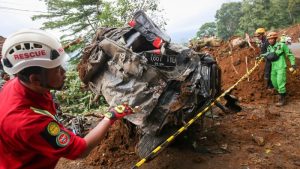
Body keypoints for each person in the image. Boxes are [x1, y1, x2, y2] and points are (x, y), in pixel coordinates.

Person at [0, 29, 133, 168]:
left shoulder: (19, 85)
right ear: (35, 79)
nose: (64, 72)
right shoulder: (28, 123)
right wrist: (110, 116)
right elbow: (82, 150)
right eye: (57, 69)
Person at [265, 32, 296, 106]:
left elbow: (290, 54)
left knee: (280, 83)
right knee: (274, 83)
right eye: (269, 39)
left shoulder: (282, 45)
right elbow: (267, 54)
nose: (270, 40)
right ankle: (282, 93)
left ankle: (282, 100)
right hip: (273, 68)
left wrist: (293, 64)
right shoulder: (269, 47)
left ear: (275, 39)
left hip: (281, 67)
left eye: (272, 39)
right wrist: (260, 56)